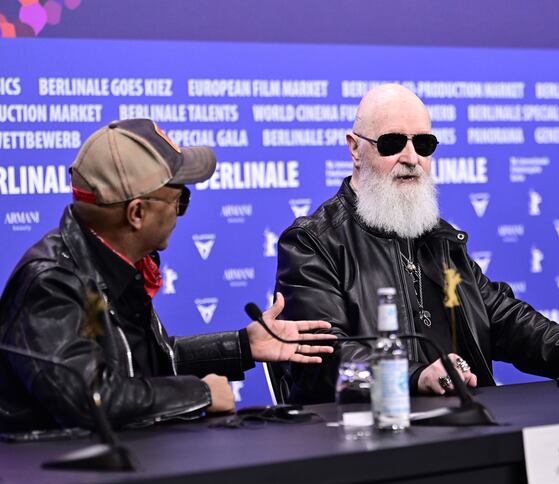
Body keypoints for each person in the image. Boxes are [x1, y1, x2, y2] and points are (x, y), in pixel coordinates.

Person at [275, 84, 559, 405]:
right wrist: (414, 377)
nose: (411, 157)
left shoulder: (439, 237)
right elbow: (324, 356)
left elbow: (503, 319)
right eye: (392, 143)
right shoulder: (313, 242)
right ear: (355, 148)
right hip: (366, 436)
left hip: (462, 422)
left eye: (423, 145)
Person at [0, 119, 334, 433]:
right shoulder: (51, 282)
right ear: (137, 213)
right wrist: (199, 393)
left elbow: (141, 365)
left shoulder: (114, 265)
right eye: (180, 200)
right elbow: (91, 397)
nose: (180, 213)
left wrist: (243, 345)